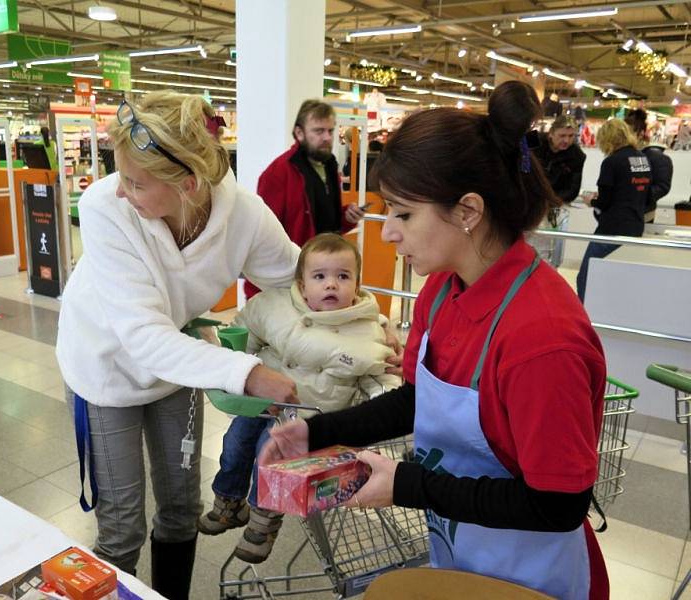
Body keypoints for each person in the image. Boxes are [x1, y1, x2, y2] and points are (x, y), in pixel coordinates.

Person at [260, 81, 610, 600]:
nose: (387, 233)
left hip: (535, 578)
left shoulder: (542, 338)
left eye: (403, 213)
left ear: (468, 211)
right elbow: (421, 399)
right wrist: (319, 433)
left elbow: (557, 505)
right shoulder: (444, 289)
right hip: (463, 555)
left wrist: (406, 485)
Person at [55, 90, 304, 600]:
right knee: (122, 526)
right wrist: (250, 373)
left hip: (177, 366)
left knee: (179, 511)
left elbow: (298, 275)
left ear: (188, 184)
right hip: (104, 371)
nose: (121, 191)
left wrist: (358, 316)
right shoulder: (104, 207)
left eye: (135, 181)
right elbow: (143, 336)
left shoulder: (244, 216)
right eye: (119, 174)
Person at [197, 233, 401, 563]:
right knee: (234, 441)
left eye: (343, 277)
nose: (331, 285)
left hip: (310, 421)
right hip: (262, 404)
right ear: (302, 285)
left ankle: (263, 521)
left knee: (270, 454)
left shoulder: (369, 333)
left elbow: (382, 379)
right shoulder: (275, 308)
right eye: (320, 277)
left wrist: (382, 409)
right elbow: (244, 334)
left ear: (358, 286)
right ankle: (228, 502)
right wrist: (237, 371)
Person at [247, 99, 367, 297]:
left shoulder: (329, 168)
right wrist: (261, 293)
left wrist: (347, 217)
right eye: (319, 131)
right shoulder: (278, 173)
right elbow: (263, 235)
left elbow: (326, 221)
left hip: (323, 275)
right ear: (299, 133)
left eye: (330, 130)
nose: (327, 137)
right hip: (288, 282)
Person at [577, 119, 650, 303]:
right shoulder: (642, 159)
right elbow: (647, 197)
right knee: (619, 282)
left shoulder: (612, 162)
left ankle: (585, 321)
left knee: (586, 278)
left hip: (611, 231)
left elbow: (604, 202)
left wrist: (591, 200)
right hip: (635, 229)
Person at [531, 114, 586, 267]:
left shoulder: (577, 156)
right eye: (562, 135)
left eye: (571, 136)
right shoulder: (532, 139)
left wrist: (550, 201)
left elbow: (573, 190)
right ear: (551, 133)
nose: (566, 140)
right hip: (525, 200)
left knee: (543, 249)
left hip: (551, 208)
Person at [624, 109, 673, 223]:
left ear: (640, 133)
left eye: (628, 134)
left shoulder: (652, 156)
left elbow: (662, 186)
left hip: (643, 213)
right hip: (623, 212)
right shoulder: (625, 153)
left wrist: (639, 194)